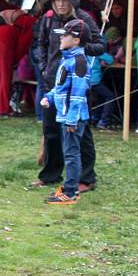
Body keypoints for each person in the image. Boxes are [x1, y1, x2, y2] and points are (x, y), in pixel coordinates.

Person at [32, 0, 105, 192]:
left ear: (73, 1)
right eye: (57, 0)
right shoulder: (47, 19)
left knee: (80, 133)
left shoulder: (84, 19)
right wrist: (44, 67)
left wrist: (81, 46)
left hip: (76, 85)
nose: (61, 4)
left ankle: (86, 178)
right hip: (52, 84)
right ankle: (50, 174)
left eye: (65, 0)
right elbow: (41, 44)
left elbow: (101, 46)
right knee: (51, 131)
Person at [40, 19, 92, 204]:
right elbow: (61, 87)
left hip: (73, 118)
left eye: (66, 35)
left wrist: (72, 120)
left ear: (76, 40)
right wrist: (49, 97)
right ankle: (69, 188)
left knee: (71, 154)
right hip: (64, 115)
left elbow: (78, 94)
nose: (61, 38)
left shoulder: (79, 62)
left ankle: (70, 192)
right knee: (68, 151)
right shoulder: (68, 59)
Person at [0, 9, 36, 116]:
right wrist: (14, 61)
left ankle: (0, 107)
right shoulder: (30, 25)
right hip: (3, 41)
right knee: (5, 77)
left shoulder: (14, 24)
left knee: (0, 76)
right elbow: (22, 48)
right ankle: (4, 109)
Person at [87, 38, 117, 131]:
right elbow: (111, 59)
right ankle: (104, 122)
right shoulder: (97, 52)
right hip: (94, 80)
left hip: (84, 80)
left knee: (99, 98)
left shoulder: (84, 50)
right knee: (110, 97)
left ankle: (94, 118)